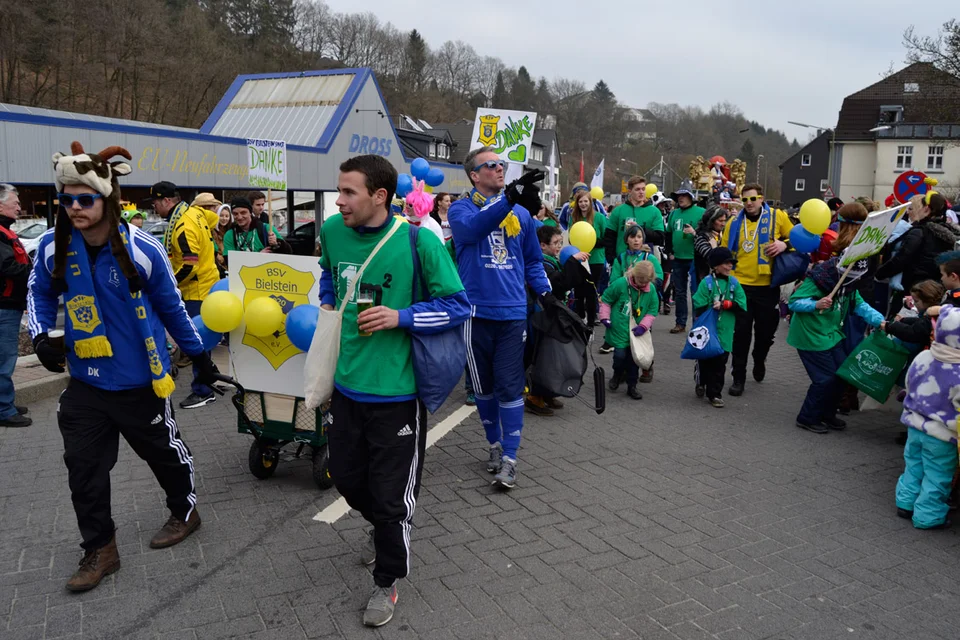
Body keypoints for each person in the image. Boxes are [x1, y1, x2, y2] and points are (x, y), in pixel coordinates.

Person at [28, 142, 217, 591]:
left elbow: (172, 309)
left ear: (107, 198)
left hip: (140, 380)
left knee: (162, 455)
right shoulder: (53, 248)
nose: (74, 207)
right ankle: (101, 549)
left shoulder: (143, 249)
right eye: (67, 199)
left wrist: (201, 358)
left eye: (85, 198)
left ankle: (185, 510)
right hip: (86, 382)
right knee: (83, 466)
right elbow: (39, 293)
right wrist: (40, 338)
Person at [317, 154, 469, 627]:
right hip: (346, 387)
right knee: (345, 477)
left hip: (398, 394)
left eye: (348, 192)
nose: (339, 201)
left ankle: (387, 581)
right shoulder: (333, 232)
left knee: (390, 498)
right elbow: (328, 272)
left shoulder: (418, 239)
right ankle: (383, 527)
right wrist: (327, 299)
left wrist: (400, 317)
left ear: (379, 196)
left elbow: (459, 305)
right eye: (339, 191)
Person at [448, 147, 551, 490]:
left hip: (512, 315)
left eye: (502, 165)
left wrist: (547, 294)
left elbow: (533, 261)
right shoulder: (461, 209)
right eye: (490, 165)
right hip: (475, 315)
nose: (499, 168)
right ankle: (493, 446)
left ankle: (510, 458)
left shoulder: (520, 214)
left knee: (510, 387)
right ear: (474, 176)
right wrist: (508, 198)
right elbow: (473, 229)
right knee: (483, 390)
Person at [143, 181, 220, 409]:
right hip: (208, 284)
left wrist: (168, 282)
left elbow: (190, 264)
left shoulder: (183, 225)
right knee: (202, 337)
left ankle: (203, 390)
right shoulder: (195, 211)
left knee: (197, 339)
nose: (154, 208)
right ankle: (211, 377)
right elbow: (214, 219)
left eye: (156, 203)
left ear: (167, 201)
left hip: (196, 289)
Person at [786, 258, 885, 433]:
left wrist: (880, 322)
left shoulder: (849, 286)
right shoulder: (817, 281)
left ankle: (827, 414)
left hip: (832, 334)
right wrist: (815, 304)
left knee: (842, 375)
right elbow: (794, 302)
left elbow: (860, 305)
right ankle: (807, 417)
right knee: (824, 379)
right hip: (810, 336)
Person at [721, 183, 794, 396]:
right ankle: (738, 378)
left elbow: (798, 239)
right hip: (740, 286)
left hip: (767, 287)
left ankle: (760, 358)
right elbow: (725, 253)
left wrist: (784, 245)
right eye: (745, 200)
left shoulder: (777, 217)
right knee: (740, 334)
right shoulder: (733, 222)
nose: (749, 204)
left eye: (753, 199)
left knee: (765, 334)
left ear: (761, 199)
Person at [894, 305, 960, 530]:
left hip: (915, 424)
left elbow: (909, 383)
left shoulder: (924, 356)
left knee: (913, 465)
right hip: (942, 435)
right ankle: (927, 516)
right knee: (937, 476)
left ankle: (905, 502)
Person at [524, 225, 589, 415]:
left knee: (552, 355)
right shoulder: (542, 263)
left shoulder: (553, 261)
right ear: (542, 246)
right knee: (542, 355)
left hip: (550, 314)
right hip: (541, 315)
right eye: (555, 243)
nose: (560, 247)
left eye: (561, 242)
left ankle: (547, 393)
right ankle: (535, 396)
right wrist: (572, 263)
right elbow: (557, 284)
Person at [875, 193, 960, 302]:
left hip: (915, 289)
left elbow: (902, 258)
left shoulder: (920, 231)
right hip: (936, 288)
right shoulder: (948, 232)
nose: (908, 212)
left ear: (925, 209)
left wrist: (879, 274)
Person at [691, 247, 747, 408]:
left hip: (726, 330)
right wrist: (710, 307)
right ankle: (701, 381)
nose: (730, 266)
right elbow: (698, 303)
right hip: (707, 330)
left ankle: (714, 393)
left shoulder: (734, 283)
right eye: (726, 263)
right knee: (705, 360)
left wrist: (727, 304)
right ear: (715, 265)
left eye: (731, 263)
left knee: (720, 362)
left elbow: (742, 304)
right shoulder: (706, 283)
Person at [598, 260, 658, 400]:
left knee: (633, 361)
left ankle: (632, 386)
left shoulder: (651, 290)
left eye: (645, 283)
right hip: (619, 329)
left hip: (636, 332)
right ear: (633, 275)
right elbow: (606, 299)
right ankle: (617, 374)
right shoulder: (620, 284)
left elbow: (652, 310)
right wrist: (604, 317)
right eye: (639, 281)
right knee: (619, 356)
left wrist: (643, 326)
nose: (642, 285)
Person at [0, 183, 31, 427]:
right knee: (4, 359)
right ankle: (4, 409)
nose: (20, 207)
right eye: (16, 203)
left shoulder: (4, 231)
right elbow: (7, 267)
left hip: (8, 304)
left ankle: (5, 402)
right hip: (4, 305)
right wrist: (35, 271)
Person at [666, 189, 706, 334]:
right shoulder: (674, 214)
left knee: (695, 291)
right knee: (680, 292)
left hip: (695, 258)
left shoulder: (701, 212)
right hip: (677, 258)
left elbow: (708, 233)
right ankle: (680, 323)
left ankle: (697, 323)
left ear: (690, 198)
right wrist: (669, 251)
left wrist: (695, 233)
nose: (680, 199)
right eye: (678, 196)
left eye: (683, 196)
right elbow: (669, 234)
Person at [604, 176, 665, 264]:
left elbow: (660, 238)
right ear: (630, 191)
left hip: (645, 262)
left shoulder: (654, 211)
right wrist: (612, 259)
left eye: (643, 189)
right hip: (621, 260)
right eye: (637, 189)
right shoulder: (618, 210)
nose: (641, 192)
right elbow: (609, 237)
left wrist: (640, 229)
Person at [570, 189, 606, 327]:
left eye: (586, 201)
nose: (583, 204)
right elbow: (571, 238)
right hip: (578, 259)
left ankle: (591, 322)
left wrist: (592, 242)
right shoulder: (574, 219)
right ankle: (580, 319)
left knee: (591, 291)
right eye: (580, 201)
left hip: (595, 259)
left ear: (590, 202)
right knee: (579, 291)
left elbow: (605, 239)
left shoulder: (600, 218)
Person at [883, 280, 945, 348]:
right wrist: (904, 320)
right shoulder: (932, 314)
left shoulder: (930, 318)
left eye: (916, 301)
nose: (914, 303)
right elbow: (920, 322)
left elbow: (913, 333)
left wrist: (890, 326)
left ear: (927, 301)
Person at [223, 197, 291, 257]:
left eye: (243, 213)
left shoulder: (266, 228)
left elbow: (288, 253)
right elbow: (229, 261)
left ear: (250, 212)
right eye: (235, 214)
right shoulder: (230, 234)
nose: (239, 217)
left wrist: (276, 244)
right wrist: (258, 256)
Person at [694, 205, 727, 282]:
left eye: (724, 220)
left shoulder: (723, 234)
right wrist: (715, 248)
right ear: (711, 221)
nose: (723, 224)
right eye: (720, 221)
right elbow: (712, 258)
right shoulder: (701, 237)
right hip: (707, 281)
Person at [212, 203, 232, 275]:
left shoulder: (231, 231)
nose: (224, 218)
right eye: (221, 216)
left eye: (227, 216)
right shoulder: (213, 231)